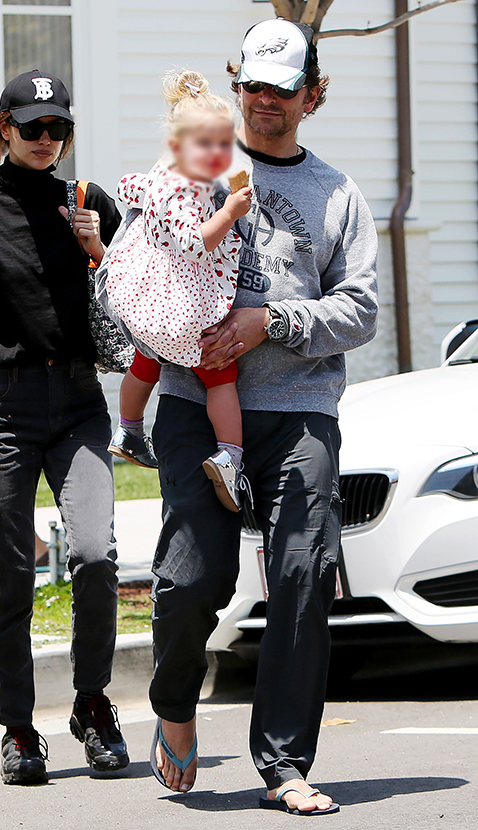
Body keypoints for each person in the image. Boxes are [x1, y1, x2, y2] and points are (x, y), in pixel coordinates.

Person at [147, 18, 378, 815]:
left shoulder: (339, 195)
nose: (264, 101)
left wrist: (270, 321)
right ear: (235, 84)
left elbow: (360, 309)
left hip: (298, 409)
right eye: (251, 85)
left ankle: (283, 764)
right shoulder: (191, 163)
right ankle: (175, 706)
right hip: (194, 403)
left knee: (303, 576)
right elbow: (143, 261)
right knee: (190, 578)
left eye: (282, 89)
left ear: (312, 96)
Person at [0, 70, 128, 785]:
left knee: (96, 556)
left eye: (59, 128)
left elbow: (138, 299)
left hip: (78, 400)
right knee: (13, 572)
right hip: (3, 408)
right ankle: (18, 729)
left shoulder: (88, 203)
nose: (46, 139)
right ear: (4, 128)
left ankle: (92, 706)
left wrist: (99, 250)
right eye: (32, 126)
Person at [106, 70, 252, 511]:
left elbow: (127, 185)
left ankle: (129, 428)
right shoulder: (183, 186)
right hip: (182, 302)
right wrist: (228, 212)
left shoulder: (164, 173)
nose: (217, 153)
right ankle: (230, 455)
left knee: (147, 358)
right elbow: (193, 242)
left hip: (151, 296)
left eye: (223, 142)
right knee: (219, 372)